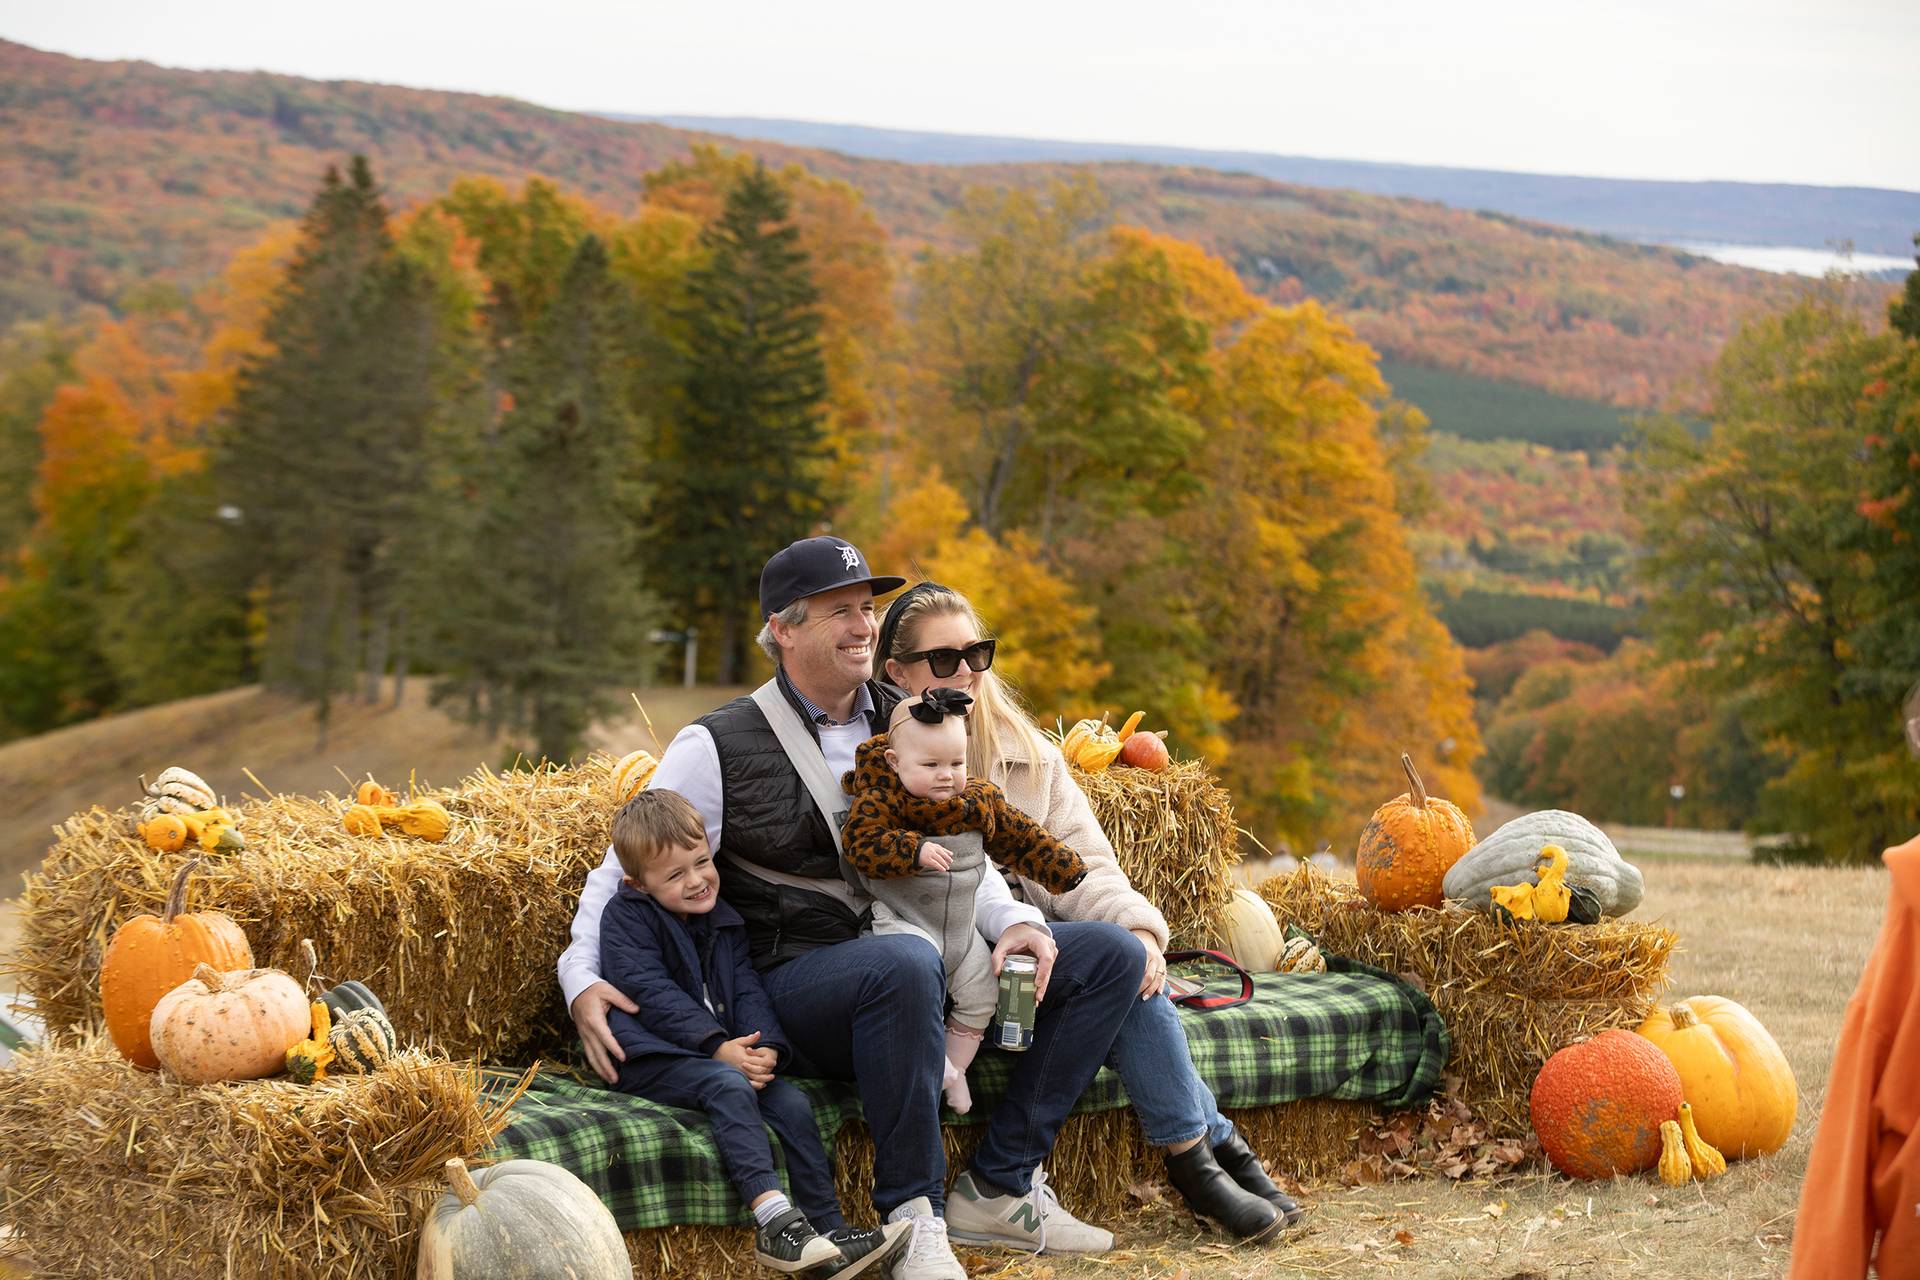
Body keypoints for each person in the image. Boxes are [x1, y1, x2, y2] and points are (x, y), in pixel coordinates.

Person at [560, 537, 1147, 1280]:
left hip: (930, 956)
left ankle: (1000, 1181)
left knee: (1108, 956)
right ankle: (915, 1215)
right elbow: (622, 873)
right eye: (840, 611)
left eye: (866, 610)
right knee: (903, 963)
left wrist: (1016, 924)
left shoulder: (909, 717)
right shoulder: (715, 744)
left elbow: (961, 843)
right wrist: (581, 978)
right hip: (800, 983)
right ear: (783, 628)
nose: (863, 627)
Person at [876, 581, 1307, 1243]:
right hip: (948, 984)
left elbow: (1085, 869)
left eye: (976, 654)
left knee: (1129, 961)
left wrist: (1138, 927)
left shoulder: (1029, 757)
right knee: (1114, 964)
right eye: (942, 660)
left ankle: (1202, 1159)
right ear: (895, 671)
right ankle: (1206, 1156)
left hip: (1036, 976)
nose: (965, 671)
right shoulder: (874, 759)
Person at [598, 789, 909, 1278]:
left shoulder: (723, 919)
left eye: (701, 862)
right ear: (638, 884)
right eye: (675, 875)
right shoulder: (626, 918)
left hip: (717, 1051)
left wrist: (763, 1047)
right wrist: (714, 1046)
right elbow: (650, 993)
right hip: (649, 1056)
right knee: (726, 1086)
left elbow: (747, 990)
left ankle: (828, 1232)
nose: (697, 880)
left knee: (791, 1104)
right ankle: (774, 1222)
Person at [841, 687, 1090, 1114]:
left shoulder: (977, 800)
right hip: (906, 922)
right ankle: (935, 1067)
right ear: (894, 763)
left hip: (960, 929)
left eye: (956, 763)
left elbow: (1021, 837)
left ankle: (953, 1073)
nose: (946, 775)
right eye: (931, 764)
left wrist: (1064, 870)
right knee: (914, 985)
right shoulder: (882, 800)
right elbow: (860, 844)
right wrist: (912, 849)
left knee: (982, 998)